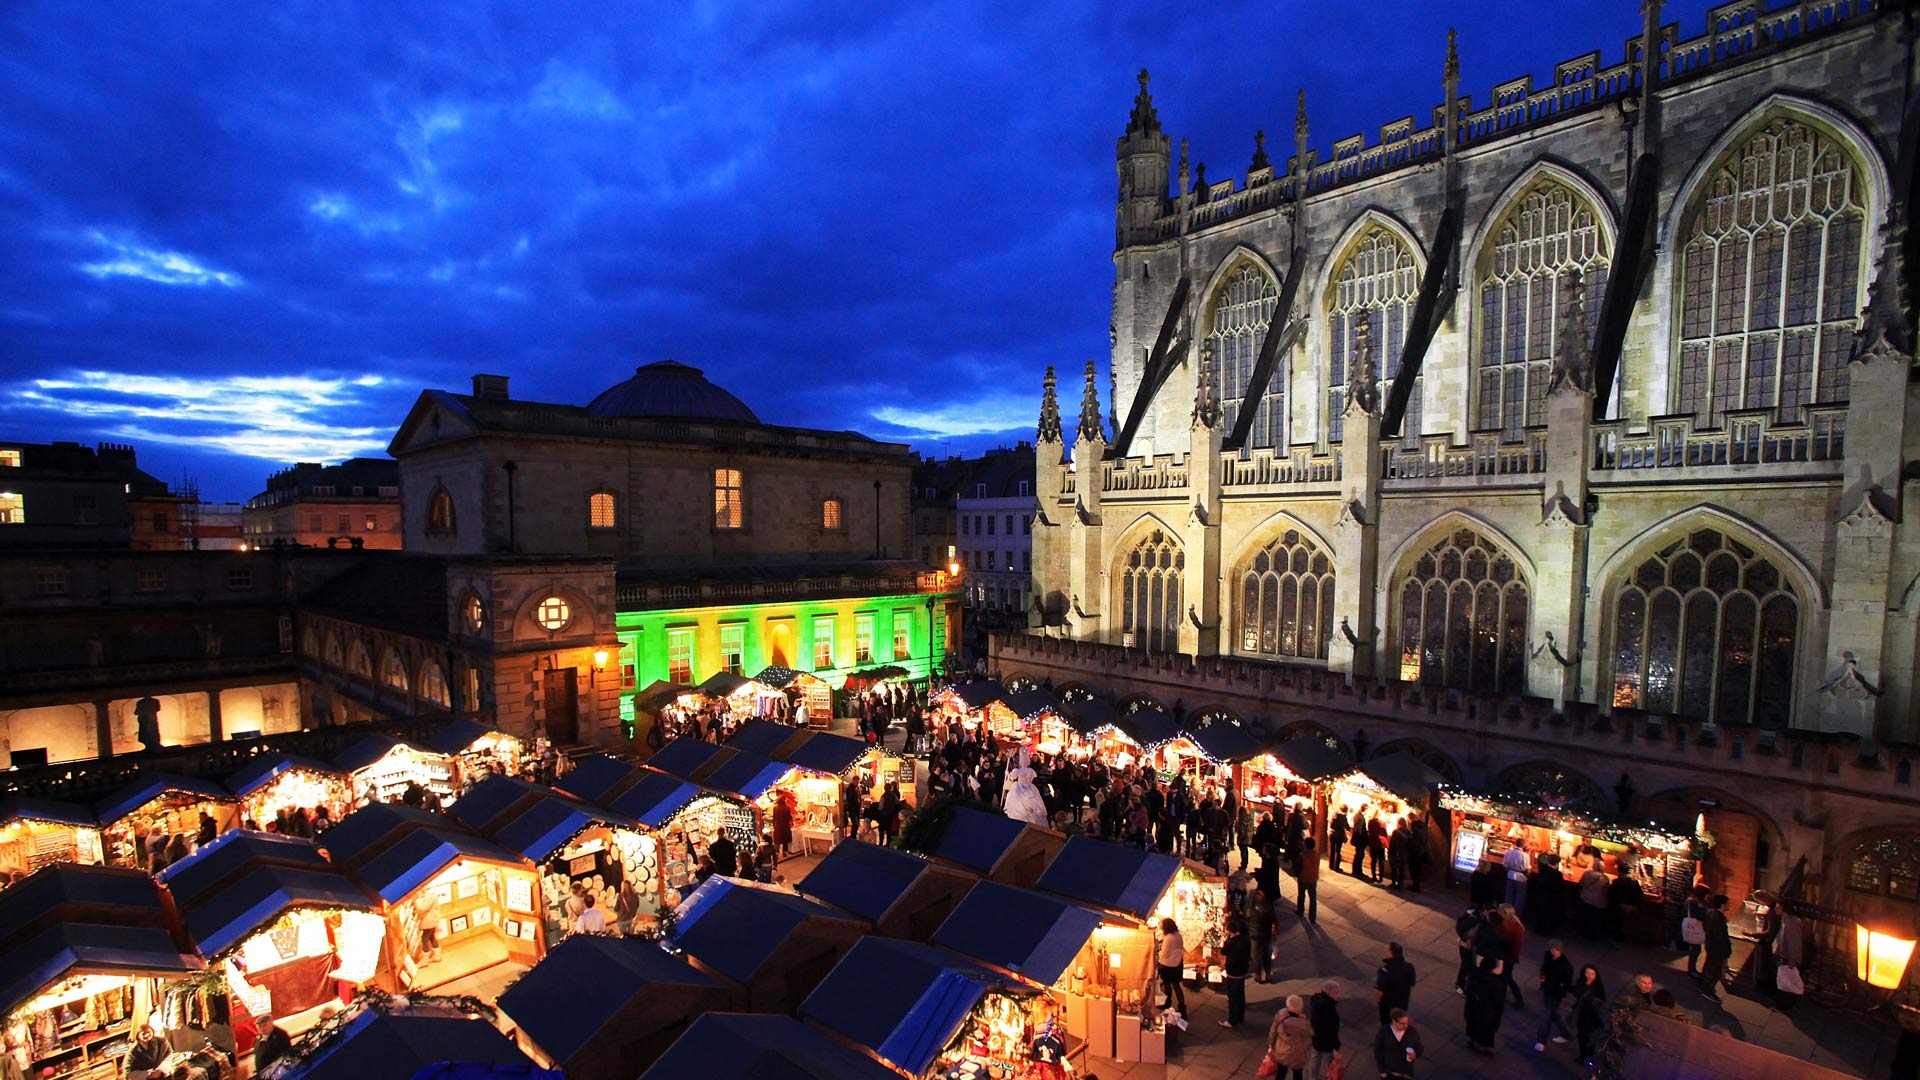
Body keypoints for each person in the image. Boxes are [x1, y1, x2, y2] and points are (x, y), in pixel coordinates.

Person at [1533, 939, 1574, 1051]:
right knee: (1553, 1014)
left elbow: (1567, 983)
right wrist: (1542, 978)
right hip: (1547, 990)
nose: (1554, 952)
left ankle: (1541, 1041)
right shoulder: (1548, 956)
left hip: (1555, 995)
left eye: (1556, 950)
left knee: (1546, 1017)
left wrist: (1560, 992)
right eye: (1552, 949)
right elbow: (1544, 969)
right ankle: (1565, 1034)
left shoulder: (1566, 966)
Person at [1464, 956, 1507, 1055]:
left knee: (1472, 1024)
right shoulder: (1495, 982)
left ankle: (1470, 1039)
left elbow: (1469, 990)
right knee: (1486, 1030)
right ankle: (1483, 1046)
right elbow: (1498, 1001)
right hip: (1487, 1011)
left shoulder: (1474, 975)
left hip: (1473, 1007)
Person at [1571, 965, 1608, 1067]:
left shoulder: (1598, 988)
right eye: (1587, 973)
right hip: (1581, 1015)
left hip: (1593, 1018)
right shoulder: (1581, 983)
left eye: (1592, 974)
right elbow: (1575, 993)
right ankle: (1582, 1056)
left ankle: (1590, 1058)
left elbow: (1601, 1002)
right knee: (1581, 1036)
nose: (1589, 976)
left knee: (1590, 1039)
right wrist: (1586, 985)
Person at [1267, 994, 1311, 1080]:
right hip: (1296, 1054)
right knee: (1297, 1074)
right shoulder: (1301, 1023)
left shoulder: (1281, 1014)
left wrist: (1271, 1045)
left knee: (1281, 1073)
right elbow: (1310, 1033)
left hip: (1281, 1051)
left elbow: (1273, 1031)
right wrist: (1305, 1020)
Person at [1698, 893, 1733, 1001]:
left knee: (1709, 966)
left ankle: (1704, 986)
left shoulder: (1710, 913)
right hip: (1717, 948)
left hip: (1711, 945)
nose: (1729, 905)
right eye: (1727, 903)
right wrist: (1727, 949)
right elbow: (1720, 937)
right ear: (1722, 905)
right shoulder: (1719, 919)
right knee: (1714, 970)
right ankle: (1707, 990)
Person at [1220, 917, 1252, 1029]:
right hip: (1242, 971)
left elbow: (1223, 951)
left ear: (1229, 930)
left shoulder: (1230, 943)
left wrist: (1225, 941)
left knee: (1232, 996)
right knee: (1240, 994)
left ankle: (1232, 1020)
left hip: (1233, 972)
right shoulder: (1245, 940)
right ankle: (1240, 1016)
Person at [1307, 980, 1342, 1080]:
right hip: (1327, 1042)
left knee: (1315, 1058)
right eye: (1336, 993)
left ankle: (1313, 1078)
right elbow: (1332, 1031)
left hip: (1316, 1039)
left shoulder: (1316, 1000)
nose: (1339, 995)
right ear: (1328, 993)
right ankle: (1331, 1077)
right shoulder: (1329, 1010)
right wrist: (1336, 1046)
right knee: (1331, 1062)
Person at [1373, 1008, 1422, 1079]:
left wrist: (1415, 1054)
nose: (1406, 1026)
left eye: (1407, 1023)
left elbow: (1419, 1047)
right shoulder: (1384, 1032)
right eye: (1402, 1023)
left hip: (1407, 1074)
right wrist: (1382, 1070)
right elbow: (1378, 1051)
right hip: (1390, 1073)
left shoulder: (1411, 1032)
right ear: (1394, 1022)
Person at [1375, 942, 1416, 1025]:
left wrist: (1380, 1002)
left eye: (1387, 951)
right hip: (1403, 1003)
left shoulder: (1386, 970)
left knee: (1387, 1024)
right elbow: (1412, 983)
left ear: (1391, 954)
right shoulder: (1409, 966)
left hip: (1388, 1006)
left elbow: (1379, 992)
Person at [1156, 916, 1187, 1014]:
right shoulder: (1177, 935)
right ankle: (1182, 1007)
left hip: (1169, 965)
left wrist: (1159, 953)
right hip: (1177, 964)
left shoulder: (1169, 938)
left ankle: (1167, 1003)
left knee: (1168, 985)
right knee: (1176, 986)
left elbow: (1165, 953)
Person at [1497, 904, 1526, 1007]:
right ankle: (1503, 996)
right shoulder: (1511, 923)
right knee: (1505, 977)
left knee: (1507, 977)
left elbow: (1515, 945)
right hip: (1508, 955)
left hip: (1509, 956)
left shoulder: (1514, 927)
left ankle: (1519, 999)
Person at [1454, 904, 1484, 995]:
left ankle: (1464, 984)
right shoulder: (1472, 921)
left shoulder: (1469, 920)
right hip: (1466, 947)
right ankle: (1459, 985)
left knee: (1468, 966)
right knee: (1466, 966)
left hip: (1467, 946)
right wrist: (1466, 939)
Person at [1249, 886, 1277, 983]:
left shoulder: (1252, 910)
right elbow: (1274, 920)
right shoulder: (1269, 909)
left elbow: (1247, 918)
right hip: (1266, 935)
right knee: (1266, 956)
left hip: (1255, 936)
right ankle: (1268, 974)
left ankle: (1258, 976)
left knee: (1256, 957)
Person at [1577, 861, 1609, 940]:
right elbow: (1606, 891)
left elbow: (1580, 884)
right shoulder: (1605, 878)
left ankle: (1583, 931)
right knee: (1595, 919)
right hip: (1598, 903)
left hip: (1585, 899)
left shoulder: (1587, 874)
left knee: (1586, 916)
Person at [1682, 884, 1710, 976]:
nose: (1708, 895)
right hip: (1694, 928)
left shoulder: (1695, 901)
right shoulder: (1692, 902)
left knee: (1696, 949)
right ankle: (1691, 969)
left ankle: (1692, 969)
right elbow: (1697, 915)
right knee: (1696, 950)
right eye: (1707, 893)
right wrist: (1703, 909)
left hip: (1694, 928)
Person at [415, 889, 443, 961]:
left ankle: (425, 960)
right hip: (431, 920)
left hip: (429, 920)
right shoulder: (430, 895)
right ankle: (437, 956)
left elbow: (422, 908)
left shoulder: (430, 896)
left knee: (424, 939)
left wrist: (417, 900)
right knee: (431, 937)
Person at [1297, 837, 1321, 923]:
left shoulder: (1302, 856)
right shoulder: (1317, 855)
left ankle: (1300, 911)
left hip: (1303, 878)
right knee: (1313, 899)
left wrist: (1298, 874)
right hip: (1313, 879)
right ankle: (1312, 917)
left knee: (1301, 896)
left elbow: (1299, 868)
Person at [1502, 843, 1531, 912]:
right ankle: (1516, 915)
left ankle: (1506, 914)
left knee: (1508, 896)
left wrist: (1508, 872)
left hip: (1510, 875)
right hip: (1521, 878)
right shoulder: (1525, 855)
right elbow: (1527, 868)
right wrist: (1527, 877)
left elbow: (1505, 865)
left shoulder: (1509, 853)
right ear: (1523, 846)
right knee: (1519, 899)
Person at [770, 792, 794, 859]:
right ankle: (784, 852)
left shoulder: (775, 808)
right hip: (785, 825)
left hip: (777, 825)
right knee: (785, 839)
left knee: (777, 840)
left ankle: (776, 853)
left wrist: (773, 825)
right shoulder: (787, 808)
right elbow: (789, 817)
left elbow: (774, 817)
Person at [1328, 811, 1349, 875]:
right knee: (1338, 851)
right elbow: (1347, 827)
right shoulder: (1343, 817)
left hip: (1332, 834)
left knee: (1332, 850)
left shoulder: (1334, 814)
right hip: (1339, 836)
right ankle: (1336, 867)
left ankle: (1331, 865)